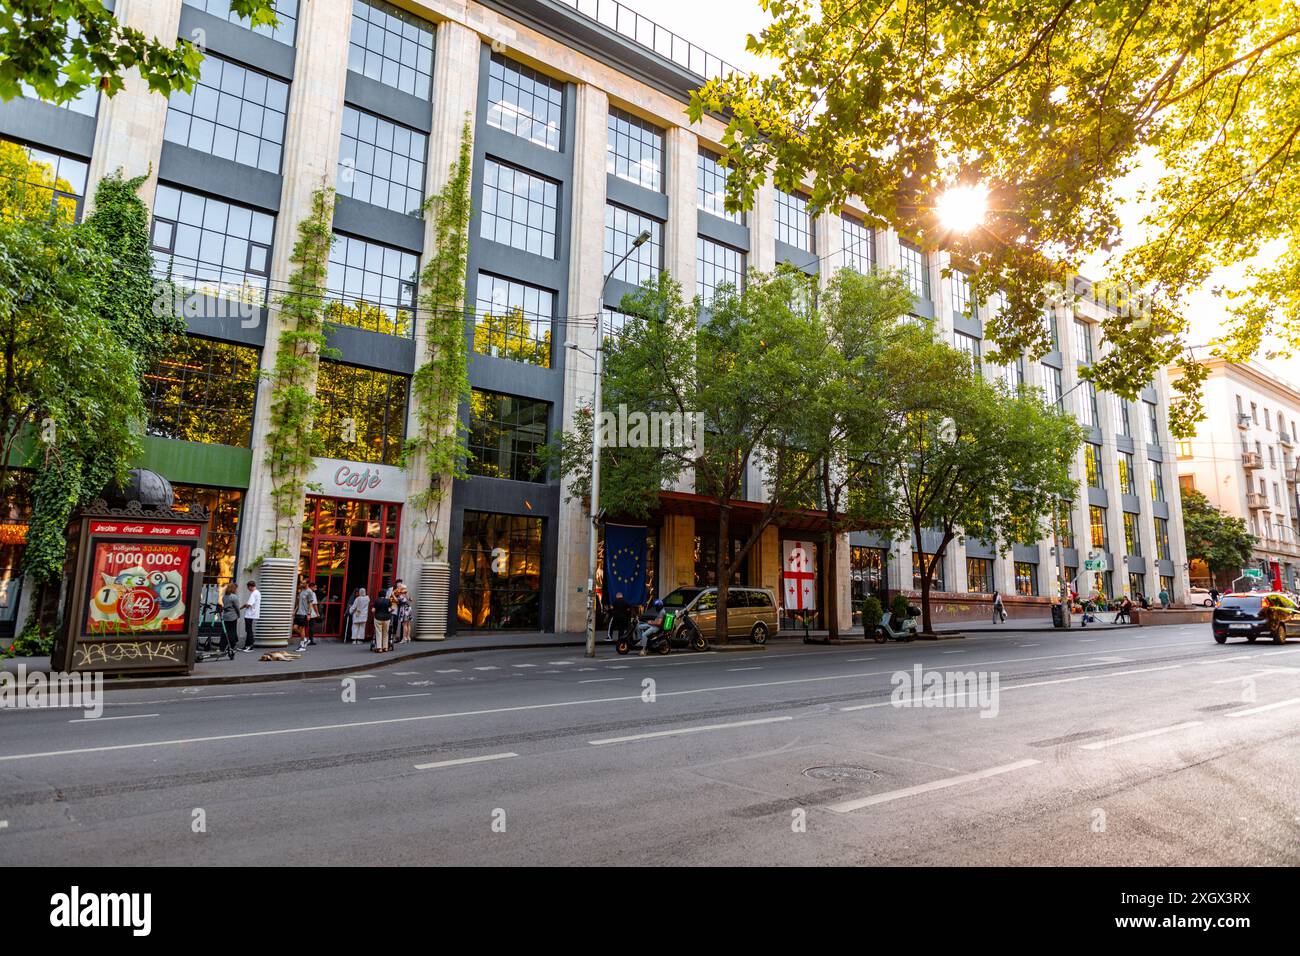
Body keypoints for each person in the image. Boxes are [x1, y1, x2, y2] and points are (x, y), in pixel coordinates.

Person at [294, 579, 319, 649]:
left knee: (302, 629)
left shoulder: (309, 592)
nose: (302, 584)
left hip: (304, 614)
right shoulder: (301, 591)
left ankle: (302, 646)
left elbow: (311, 604)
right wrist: (295, 610)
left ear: (307, 584)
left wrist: (309, 614)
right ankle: (304, 639)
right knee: (295, 628)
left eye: (303, 583)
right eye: (301, 583)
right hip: (299, 613)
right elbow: (299, 602)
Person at [219, 581, 240, 660]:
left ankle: (222, 646)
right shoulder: (234, 597)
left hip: (225, 616)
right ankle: (232, 646)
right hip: (232, 616)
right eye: (236, 588)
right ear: (233, 589)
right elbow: (237, 607)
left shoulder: (225, 597)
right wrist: (238, 615)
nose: (236, 590)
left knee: (224, 632)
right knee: (232, 632)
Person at [239, 580, 260, 651]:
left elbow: (249, 604)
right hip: (253, 614)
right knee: (249, 630)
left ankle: (250, 646)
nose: (248, 589)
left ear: (250, 586)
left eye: (248, 588)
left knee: (249, 630)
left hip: (250, 614)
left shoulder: (253, 593)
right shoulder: (258, 592)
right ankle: (246, 645)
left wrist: (240, 607)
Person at [372, 586, 393, 653]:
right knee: (386, 633)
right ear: (385, 594)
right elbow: (390, 609)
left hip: (378, 618)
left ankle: (379, 648)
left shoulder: (377, 601)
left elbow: (373, 610)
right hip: (387, 618)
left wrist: (374, 610)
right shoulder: (388, 601)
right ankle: (385, 647)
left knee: (378, 633)